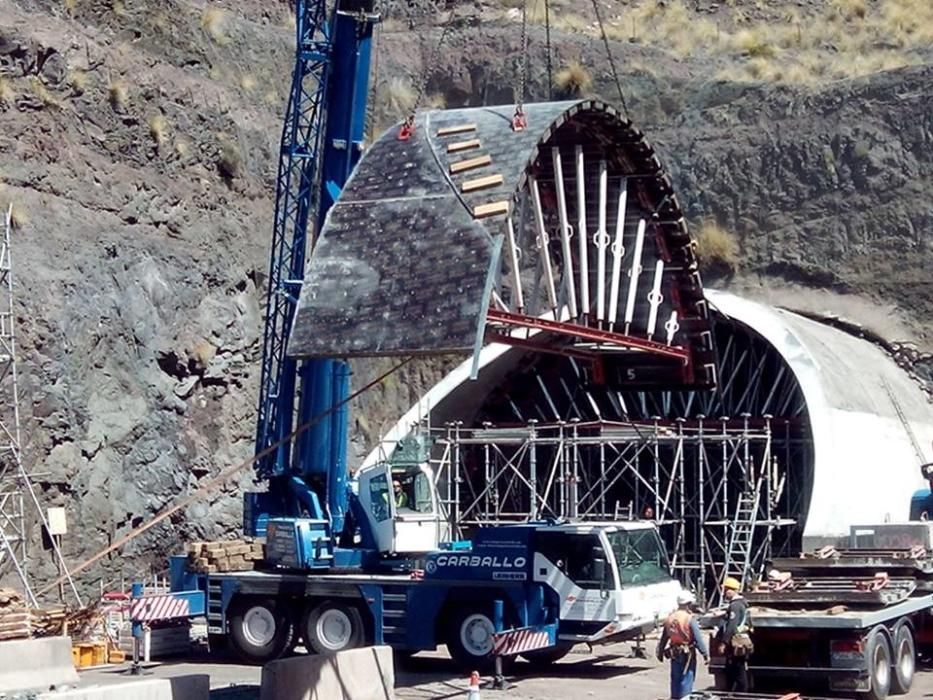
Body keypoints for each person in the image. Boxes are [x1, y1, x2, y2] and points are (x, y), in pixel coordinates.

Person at [657, 590, 708, 700]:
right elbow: (698, 638)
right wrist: (705, 654)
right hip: (687, 653)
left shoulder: (670, 618)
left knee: (675, 678)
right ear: (688, 604)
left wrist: (660, 651)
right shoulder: (688, 618)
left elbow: (664, 637)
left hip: (674, 652)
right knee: (687, 678)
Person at [718, 576, 751, 691]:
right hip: (740, 639)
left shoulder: (735, 606)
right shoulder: (741, 604)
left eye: (727, 590)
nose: (725, 593)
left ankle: (742, 695)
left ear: (732, 590)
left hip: (736, 641)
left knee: (738, 670)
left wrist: (723, 643)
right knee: (732, 670)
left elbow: (731, 626)